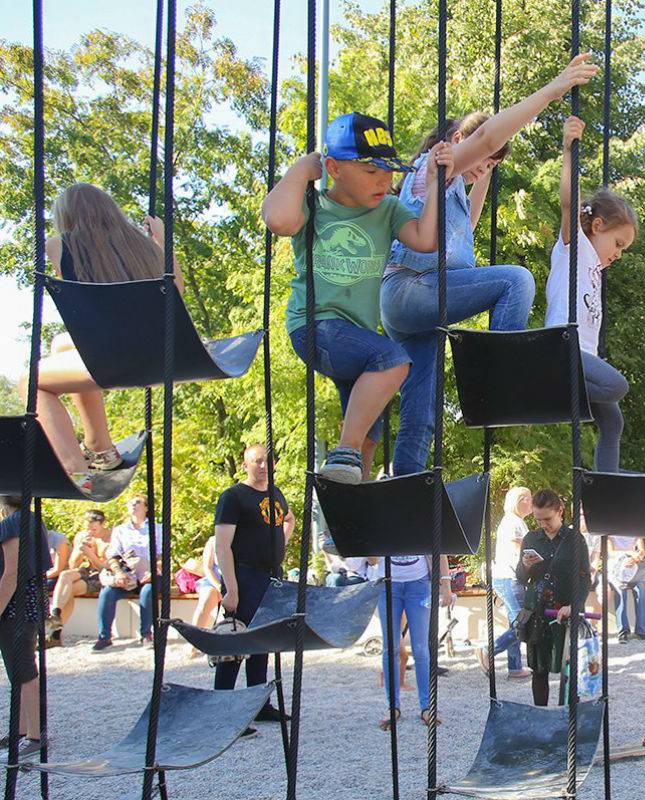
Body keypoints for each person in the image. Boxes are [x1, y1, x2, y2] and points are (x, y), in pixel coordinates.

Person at [383, 55, 599, 475]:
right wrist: (554, 88)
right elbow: (483, 139)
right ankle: (499, 381)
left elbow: (467, 224)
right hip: (412, 288)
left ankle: (407, 492)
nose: (484, 166)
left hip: (413, 312)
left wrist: (486, 173)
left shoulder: (453, 196)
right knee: (517, 281)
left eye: (493, 164)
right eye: (485, 159)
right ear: (456, 140)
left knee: (420, 414)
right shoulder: (434, 167)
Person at [263, 112, 453, 483]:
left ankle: (349, 505)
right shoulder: (314, 205)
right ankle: (344, 450)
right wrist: (299, 171)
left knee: (370, 432)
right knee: (393, 361)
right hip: (315, 326)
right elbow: (279, 221)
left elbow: (426, 239)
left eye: (388, 171)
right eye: (370, 171)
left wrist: (433, 184)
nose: (383, 180)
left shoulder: (387, 210)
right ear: (333, 168)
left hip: (355, 337)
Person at [20, 183, 185, 487]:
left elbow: (78, 302)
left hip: (111, 358)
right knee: (60, 345)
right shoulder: (145, 247)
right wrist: (162, 239)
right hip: (160, 352)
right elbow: (177, 294)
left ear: (67, 216)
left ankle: (74, 467)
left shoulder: (60, 245)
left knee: (31, 381)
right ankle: (101, 448)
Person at [546, 116, 639, 472]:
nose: (618, 253)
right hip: (561, 347)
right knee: (616, 385)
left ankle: (607, 488)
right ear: (597, 226)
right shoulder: (576, 247)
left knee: (613, 422)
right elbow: (569, 204)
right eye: (618, 243)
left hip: (582, 355)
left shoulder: (595, 271)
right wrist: (569, 150)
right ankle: (551, 388)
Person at [213, 444, 295, 727]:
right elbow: (222, 546)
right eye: (256, 461)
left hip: (270, 577)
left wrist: (280, 543)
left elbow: (288, 518)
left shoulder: (276, 493)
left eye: (266, 461)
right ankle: (223, 710)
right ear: (245, 464)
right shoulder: (234, 497)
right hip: (244, 576)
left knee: (263, 641)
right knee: (236, 641)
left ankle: (259, 704)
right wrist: (231, 588)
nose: (262, 466)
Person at [515, 489, 590, 707]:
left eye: (547, 519)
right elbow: (521, 578)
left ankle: (567, 715)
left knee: (569, 667)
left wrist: (574, 605)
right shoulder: (531, 538)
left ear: (560, 511)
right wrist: (525, 566)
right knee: (539, 669)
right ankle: (541, 716)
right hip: (537, 612)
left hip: (565, 611)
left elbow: (584, 578)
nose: (543, 524)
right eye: (538, 520)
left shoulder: (575, 540)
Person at [371, 551, 455, 729]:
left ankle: (427, 706)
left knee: (421, 648)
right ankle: (393, 706)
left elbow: (439, 551)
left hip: (419, 583)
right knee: (390, 648)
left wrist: (446, 585)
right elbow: (372, 560)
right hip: (387, 584)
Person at [0, 497, 48, 760]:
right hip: (30, 600)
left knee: (23, 669)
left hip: (15, 605)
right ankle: (20, 730)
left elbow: (11, 574)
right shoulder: (33, 519)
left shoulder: (11, 522)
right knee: (18, 668)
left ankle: (35, 735)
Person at [476, 486, 532, 679]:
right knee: (523, 623)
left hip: (508, 578)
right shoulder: (513, 522)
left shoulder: (515, 521)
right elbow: (518, 551)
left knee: (515, 622)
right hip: (510, 578)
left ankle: (515, 667)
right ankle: (488, 650)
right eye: (528, 498)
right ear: (519, 501)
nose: (532, 502)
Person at [95, 494, 160, 652]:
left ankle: (146, 634)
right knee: (107, 593)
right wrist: (118, 573)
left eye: (137, 502)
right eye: (131, 503)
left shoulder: (157, 528)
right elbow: (113, 555)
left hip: (149, 574)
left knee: (148, 591)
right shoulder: (120, 530)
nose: (133, 505)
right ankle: (104, 636)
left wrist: (153, 571)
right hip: (128, 575)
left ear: (146, 507)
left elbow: (162, 555)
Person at [47, 509, 110, 647]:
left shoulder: (110, 538)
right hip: (86, 570)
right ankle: (55, 614)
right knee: (65, 575)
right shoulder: (82, 536)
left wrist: (91, 554)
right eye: (88, 528)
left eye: (94, 528)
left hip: (103, 575)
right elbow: (73, 565)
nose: (91, 531)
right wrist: (80, 551)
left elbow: (104, 569)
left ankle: (56, 633)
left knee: (70, 590)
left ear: (103, 524)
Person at [608, 535, 645, 643]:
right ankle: (623, 631)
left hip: (633, 569)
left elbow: (642, 551)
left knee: (641, 591)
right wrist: (629, 555)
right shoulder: (610, 532)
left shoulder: (635, 531)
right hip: (616, 569)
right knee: (620, 592)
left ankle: (641, 631)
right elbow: (610, 552)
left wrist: (635, 559)